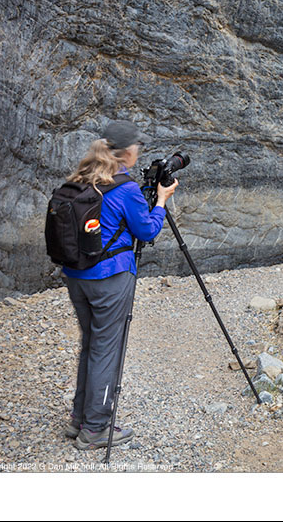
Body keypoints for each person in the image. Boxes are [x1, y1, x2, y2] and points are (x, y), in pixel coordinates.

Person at [61, 120, 178, 450]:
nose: (139, 151)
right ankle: (96, 429)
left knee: (91, 344)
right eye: (137, 147)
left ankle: (79, 420)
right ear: (128, 152)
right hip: (109, 278)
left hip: (76, 275)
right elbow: (147, 231)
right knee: (106, 350)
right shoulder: (125, 188)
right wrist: (161, 201)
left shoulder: (82, 178)